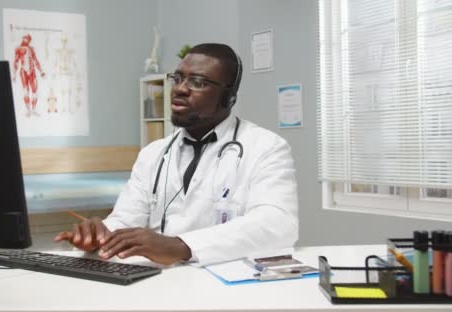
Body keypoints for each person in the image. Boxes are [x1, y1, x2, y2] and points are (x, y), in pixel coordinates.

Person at [55, 43, 298, 266]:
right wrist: (101, 234)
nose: (180, 89)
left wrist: (181, 246)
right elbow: (126, 221)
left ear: (229, 97)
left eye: (198, 82)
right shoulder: (153, 154)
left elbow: (278, 224)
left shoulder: (266, 147)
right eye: (178, 78)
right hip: (158, 283)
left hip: (223, 288)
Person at [12, 34, 46, 117]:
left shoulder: (31, 49)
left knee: (35, 91)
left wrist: (41, 71)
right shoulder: (18, 49)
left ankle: (33, 110)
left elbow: (35, 60)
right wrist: (14, 74)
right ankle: (28, 110)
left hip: (32, 71)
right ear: (23, 39)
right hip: (23, 71)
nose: (26, 40)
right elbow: (16, 62)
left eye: (28, 39)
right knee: (25, 91)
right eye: (25, 39)